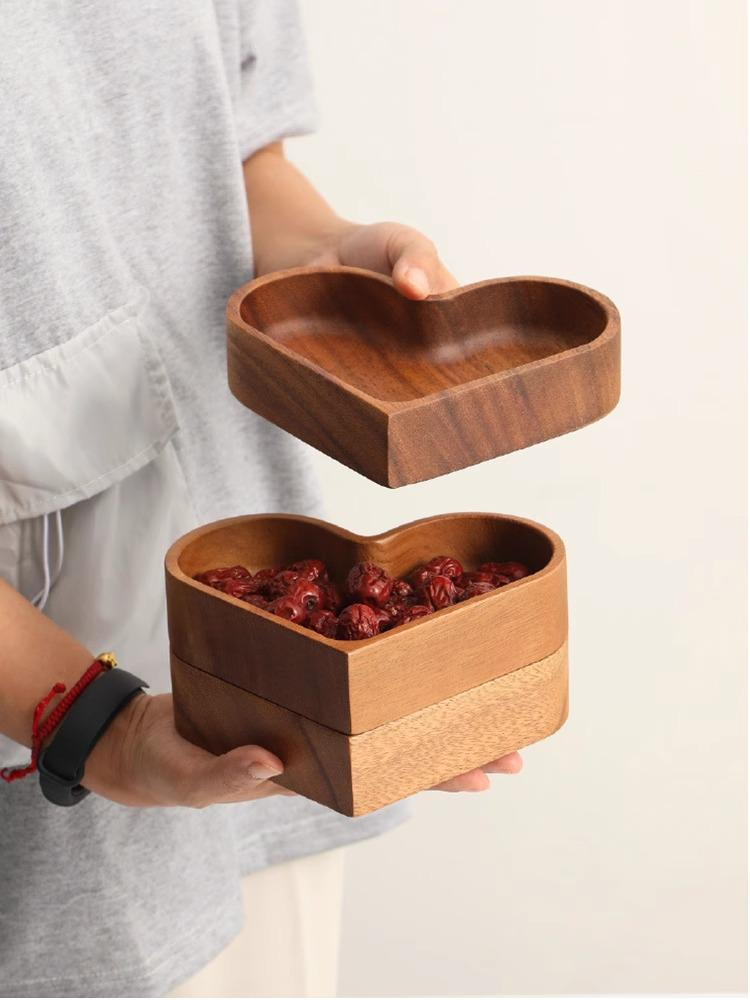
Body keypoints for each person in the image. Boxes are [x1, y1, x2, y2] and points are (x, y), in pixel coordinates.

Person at [0, 3, 522, 996]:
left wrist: (325, 258)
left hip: (262, 727)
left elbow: (230, 148)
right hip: (49, 772)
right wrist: (95, 727)